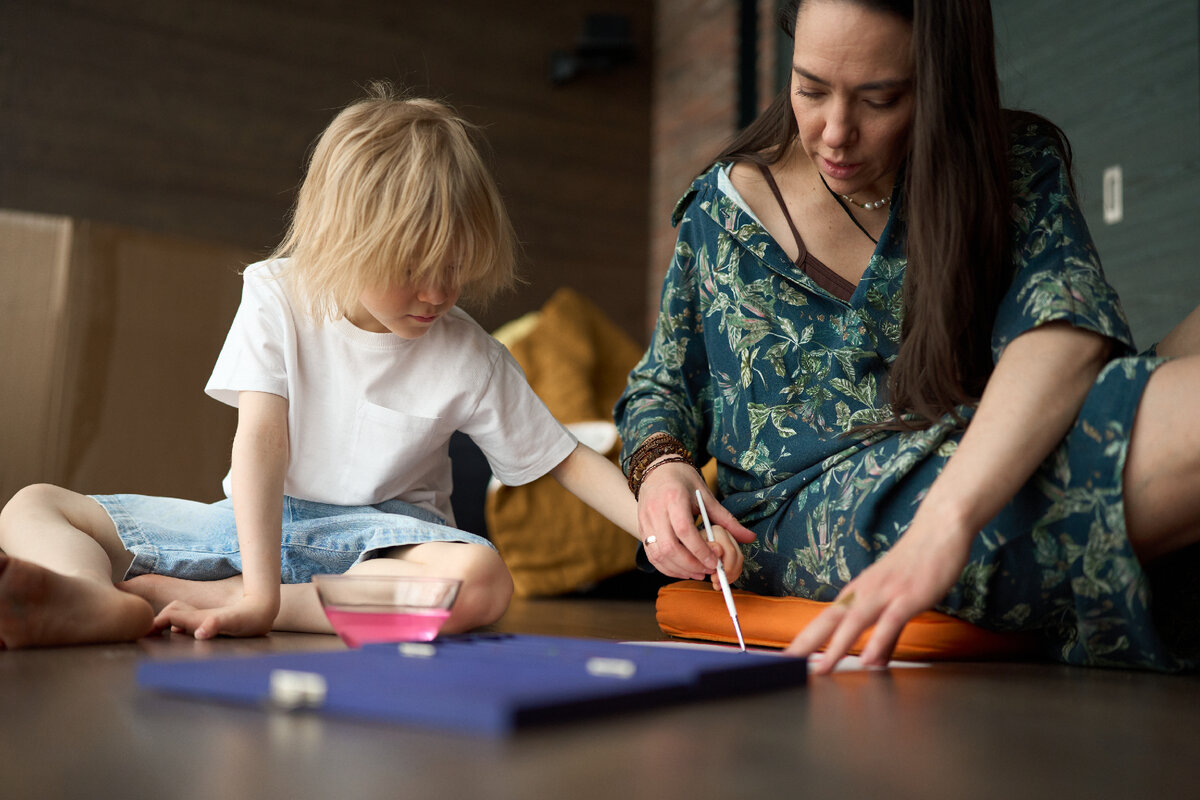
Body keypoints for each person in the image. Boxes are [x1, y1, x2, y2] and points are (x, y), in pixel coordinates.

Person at [616, 0, 1200, 674]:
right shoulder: (725, 212)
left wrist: (947, 525)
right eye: (809, 88)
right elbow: (661, 387)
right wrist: (663, 469)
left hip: (982, 445)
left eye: (880, 99)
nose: (835, 132)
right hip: (814, 514)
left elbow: (1061, 327)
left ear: (939, 81)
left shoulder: (1009, 164)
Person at [0, 82, 660, 648]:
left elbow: (563, 458)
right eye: (411, 270)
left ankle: (263, 603)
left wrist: (657, 529)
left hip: (379, 546)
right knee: (33, 506)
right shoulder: (275, 292)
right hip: (253, 524)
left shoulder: (469, 353)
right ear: (344, 240)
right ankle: (90, 598)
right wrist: (256, 581)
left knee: (481, 583)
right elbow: (261, 439)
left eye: (454, 268)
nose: (437, 293)